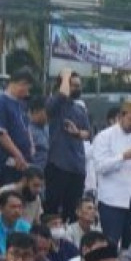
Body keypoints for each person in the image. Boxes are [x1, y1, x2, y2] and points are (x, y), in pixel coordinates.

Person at [93, 100, 131, 249]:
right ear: (121, 116)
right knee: (111, 244)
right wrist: (123, 157)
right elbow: (100, 167)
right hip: (112, 201)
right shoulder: (104, 137)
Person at [44, 70, 92, 222]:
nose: (78, 88)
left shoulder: (79, 109)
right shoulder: (54, 104)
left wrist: (77, 133)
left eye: (79, 85)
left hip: (77, 167)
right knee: (52, 210)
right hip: (58, 165)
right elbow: (62, 96)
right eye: (74, 85)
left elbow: (88, 133)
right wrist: (65, 75)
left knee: (72, 213)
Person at [0, 67, 36, 186]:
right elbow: (2, 134)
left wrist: (31, 146)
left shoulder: (21, 104)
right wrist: (18, 154)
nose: (27, 93)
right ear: (21, 84)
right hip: (10, 162)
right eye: (27, 88)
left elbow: (27, 127)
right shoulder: (1, 103)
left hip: (25, 161)